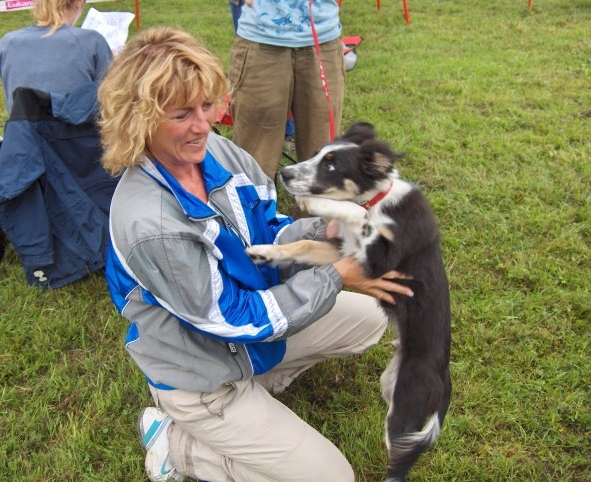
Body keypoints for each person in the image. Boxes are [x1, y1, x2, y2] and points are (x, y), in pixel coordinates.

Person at [98, 26, 413, 482]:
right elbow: (232, 317)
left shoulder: (217, 151)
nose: (203, 125)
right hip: (202, 373)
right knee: (333, 478)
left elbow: (269, 230)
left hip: (241, 343)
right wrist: (334, 275)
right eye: (182, 114)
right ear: (139, 118)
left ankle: (260, 385)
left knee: (368, 317)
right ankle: (177, 443)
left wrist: (327, 230)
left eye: (207, 105)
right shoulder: (152, 225)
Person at [228, 0, 345, 179]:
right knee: (255, 156)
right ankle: (256, 206)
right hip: (260, 39)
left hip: (323, 38)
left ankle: (315, 207)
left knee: (323, 155)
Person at [0, 0, 113, 113]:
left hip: (23, 130)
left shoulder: (8, 43)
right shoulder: (92, 41)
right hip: (80, 130)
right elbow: (110, 98)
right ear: (78, 3)